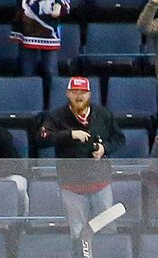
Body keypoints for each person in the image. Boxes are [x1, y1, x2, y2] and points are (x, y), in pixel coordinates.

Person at [41, 75, 120, 227]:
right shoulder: (56, 116)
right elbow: (42, 139)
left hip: (100, 183)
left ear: (89, 95)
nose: (79, 96)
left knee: (107, 229)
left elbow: (119, 139)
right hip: (71, 186)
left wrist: (105, 148)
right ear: (68, 94)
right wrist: (69, 134)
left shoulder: (103, 114)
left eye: (82, 92)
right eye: (75, 92)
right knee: (78, 233)